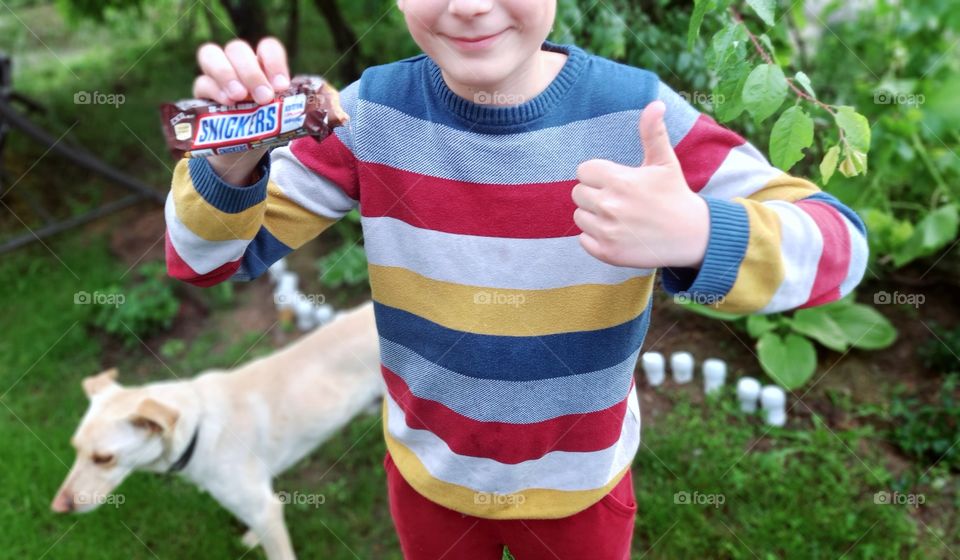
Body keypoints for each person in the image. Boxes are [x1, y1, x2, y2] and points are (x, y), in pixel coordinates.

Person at [164, 1, 868, 558]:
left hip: (580, 489)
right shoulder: (369, 116)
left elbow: (840, 245)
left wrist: (698, 232)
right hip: (429, 479)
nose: (470, 6)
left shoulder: (638, 114)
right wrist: (232, 163)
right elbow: (206, 258)